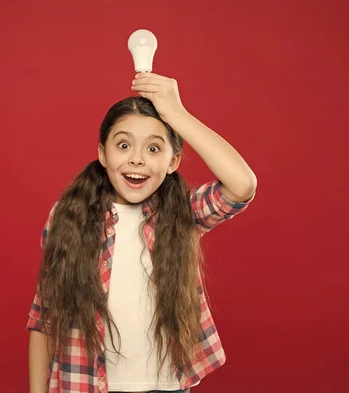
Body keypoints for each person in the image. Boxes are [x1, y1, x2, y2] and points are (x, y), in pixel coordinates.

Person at [27, 72, 257, 393]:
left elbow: (242, 185)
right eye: (123, 145)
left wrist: (177, 115)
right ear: (103, 154)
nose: (136, 158)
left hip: (165, 388)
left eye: (153, 148)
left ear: (173, 160)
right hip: (82, 385)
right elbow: (43, 319)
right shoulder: (67, 218)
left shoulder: (182, 214)